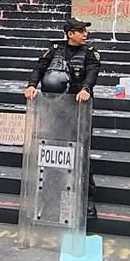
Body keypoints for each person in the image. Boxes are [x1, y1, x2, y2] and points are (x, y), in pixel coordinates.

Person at [24, 17, 101, 221]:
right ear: (70, 34)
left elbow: (92, 74)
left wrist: (86, 89)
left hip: (78, 111)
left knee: (82, 154)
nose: (85, 34)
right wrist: (32, 85)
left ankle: (87, 200)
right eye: (81, 31)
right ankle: (47, 197)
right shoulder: (55, 50)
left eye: (85, 30)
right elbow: (39, 68)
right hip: (54, 110)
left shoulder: (90, 54)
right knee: (51, 151)